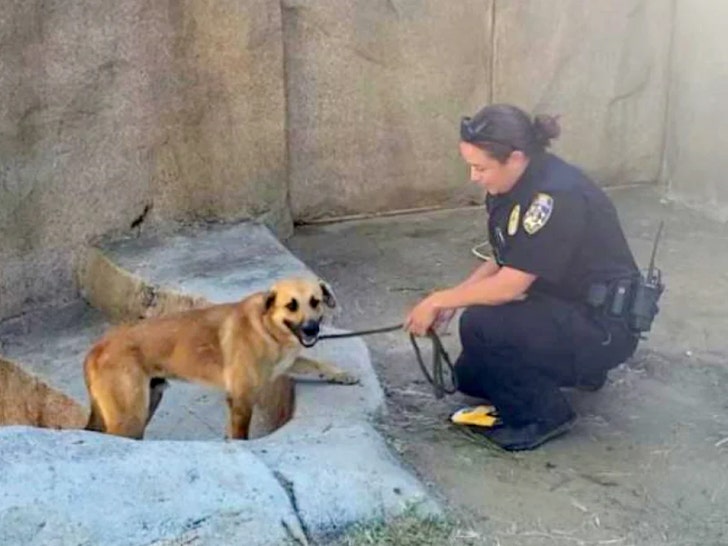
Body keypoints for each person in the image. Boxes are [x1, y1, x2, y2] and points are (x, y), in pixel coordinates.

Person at [404, 103, 643, 451]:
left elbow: (510, 286)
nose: (474, 177)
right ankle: (575, 372)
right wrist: (454, 298)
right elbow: (505, 260)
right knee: (472, 375)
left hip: (604, 327)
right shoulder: (513, 185)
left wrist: (440, 300)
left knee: (482, 325)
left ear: (515, 158)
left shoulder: (556, 197)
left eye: (480, 168)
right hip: (568, 304)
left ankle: (544, 415)